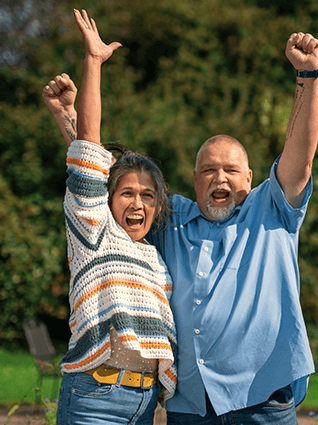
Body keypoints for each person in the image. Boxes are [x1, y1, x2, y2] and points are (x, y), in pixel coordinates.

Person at [46, 10, 318, 424]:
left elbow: (299, 161)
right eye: (209, 170)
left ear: (250, 178)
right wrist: (67, 119)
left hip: (263, 403)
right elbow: (102, 176)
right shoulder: (170, 219)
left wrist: (309, 76)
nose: (220, 178)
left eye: (231, 170)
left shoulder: (271, 211)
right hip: (191, 408)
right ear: (194, 179)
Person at [43, 9, 177, 425]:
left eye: (147, 196)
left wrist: (65, 114)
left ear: (158, 208)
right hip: (94, 399)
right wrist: (93, 64)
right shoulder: (94, 231)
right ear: (107, 198)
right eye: (127, 193)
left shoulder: (155, 258)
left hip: (143, 404)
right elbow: (89, 156)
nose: (137, 204)